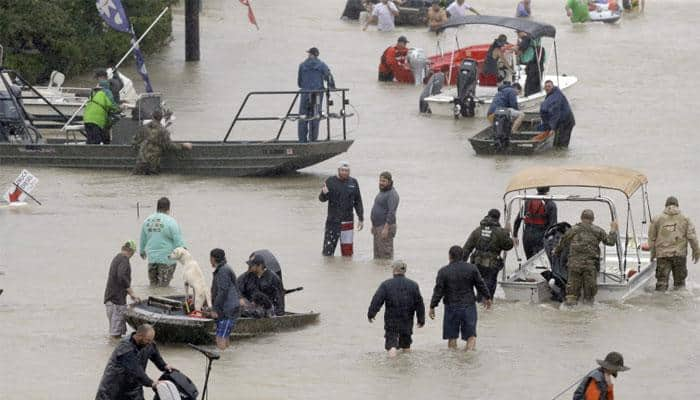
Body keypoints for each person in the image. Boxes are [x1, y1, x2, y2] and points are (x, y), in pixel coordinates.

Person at [429, 246, 491, 351]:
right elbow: (480, 284)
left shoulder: (443, 271)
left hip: (451, 307)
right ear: (462, 256)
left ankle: (454, 362)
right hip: (468, 306)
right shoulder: (472, 268)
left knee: (452, 337)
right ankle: (468, 357)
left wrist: (432, 306)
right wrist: (488, 297)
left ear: (449, 256)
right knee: (471, 336)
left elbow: (438, 291)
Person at [555, 209, 618, 305]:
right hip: (590, 267)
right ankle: (587, 315)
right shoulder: (598, 230)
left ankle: (569, 314)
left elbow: (561, 244)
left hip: (574, 266)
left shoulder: (573, 230)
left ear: (581, 218)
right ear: (593, 219)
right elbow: (610, 242)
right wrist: (613, 229)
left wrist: (555, 252)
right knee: (589, 298)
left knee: (571, 296)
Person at [95, 324, 174, 400]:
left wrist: (165, 366)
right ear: (139, 336)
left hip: (134, 390)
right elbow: (135, 370)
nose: (150, 343)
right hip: (113, 391)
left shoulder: (149, 344)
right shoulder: (125, 348)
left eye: (151, 340)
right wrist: (152, 383)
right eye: (148, 340)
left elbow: (156, 357)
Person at [368, 260, 425, 357]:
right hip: (407, 320)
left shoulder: (386, 284)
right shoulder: (413, 285)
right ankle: (406, 366)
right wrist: (421, 319)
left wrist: (371, 313)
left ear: (394, 270)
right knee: (406, 345)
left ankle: (392, 367)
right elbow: (419, 304)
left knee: (391, 344)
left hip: (391, 320)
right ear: (404, 271)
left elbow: (377, 300)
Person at [648, 196, 699, 291]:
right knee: (680, 287)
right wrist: (696, 251)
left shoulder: (657, 219)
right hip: (679, 255)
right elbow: (692, 237)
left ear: (666, 206)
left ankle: (659, 304)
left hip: (662, 256)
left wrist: (652, 254)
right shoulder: (685, 219)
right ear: (677, 206)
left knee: (661, 285)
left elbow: (652, 239)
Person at [462, 209, 514, 299]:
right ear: (498, 218)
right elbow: (508, 246)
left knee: (479, 288)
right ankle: (485, 310)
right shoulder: (500, 232)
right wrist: (507, 232)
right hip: (491, 266)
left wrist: (460, 265)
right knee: (488, 292)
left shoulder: (477, 230)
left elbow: (467, 248)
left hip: (476, 264)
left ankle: (479, 307)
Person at [319, 161, 364, 256]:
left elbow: (358, 201)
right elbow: (322, 199)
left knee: (347, 254)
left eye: (347, 171)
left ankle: (346, 270)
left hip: (348, 222)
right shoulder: (330, 181)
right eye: (342, 170)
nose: (344, 172)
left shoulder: (353, 182)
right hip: (333, 222)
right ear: (338, 170)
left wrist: (361, 218)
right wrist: (324, 193)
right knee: (328, 253)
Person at [139, 197, 186, 287]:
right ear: (168, 209)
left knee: (153, 286)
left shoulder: (147, 221)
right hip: (167, 260)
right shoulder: (171, 222)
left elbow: (143, 238)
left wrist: (141, 251)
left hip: (152, 260)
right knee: (164, 288)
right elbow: (178, 242)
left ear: (157, 207)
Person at [133, 110, 192, 175]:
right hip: (153, 163)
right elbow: (169, 145)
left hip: (140, 162)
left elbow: (135, 141)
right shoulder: (163, 131)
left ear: (152, 117)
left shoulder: (144, 128)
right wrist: (183, 145)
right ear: (161, 118)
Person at [103, 240, 140, 339]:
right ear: (131, 251)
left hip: (110, 299)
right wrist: (132, 293)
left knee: (114, 331)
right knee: (116, 334)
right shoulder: (124, 259)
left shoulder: (117, 258)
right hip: (116, 302)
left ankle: (110, 349)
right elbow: (121, 276)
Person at [297, 47, 335, 143]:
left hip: (305, 94)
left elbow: (299, 83)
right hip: (316, 95)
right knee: (315, 116)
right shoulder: (322, 65)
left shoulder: (302, 65)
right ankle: (313, 140)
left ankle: (302, 140)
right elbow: (329, 77)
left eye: (309, 53)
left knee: (303, 116)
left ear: (311, 54)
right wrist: (331, 87)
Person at [513, 186, 558, 259]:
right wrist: (554, 242)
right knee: (541, 261)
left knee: (529, 260)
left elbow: (518, 219)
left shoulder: (528, 201)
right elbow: (553, 226)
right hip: (541, 235)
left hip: (527, 235)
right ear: (548, 189)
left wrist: (515, 235)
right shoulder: (550, 204)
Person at [208, 248, 240, 349]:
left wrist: (215, 309)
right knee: (224, 336)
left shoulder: (223, 271)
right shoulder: (224, 269)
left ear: (213, 259)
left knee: (220, 338)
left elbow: (223, 292)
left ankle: (222, 361)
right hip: (229, 308)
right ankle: (227, 359)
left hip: (227, 310)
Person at [84, 68, 120, 145]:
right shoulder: (107, 91)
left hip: (87, 119)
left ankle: (87, 155)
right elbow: (111, 105)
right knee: (96, 141)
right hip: (97, 120)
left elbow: (100, 102)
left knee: (90, 141)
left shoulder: (94, 91)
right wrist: (119, 108)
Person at [370, 171, 400, 259]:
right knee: (377, 256)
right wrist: (373, 225)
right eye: (380, 180)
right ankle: (379, 273)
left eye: (384, 181)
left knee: (386, 256)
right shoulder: (382, 192)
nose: (381, 183)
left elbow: (391, 212)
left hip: (385, 227)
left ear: (390, 182)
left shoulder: (392, 194)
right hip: (377, 227)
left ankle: (386, 272)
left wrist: (386, 228)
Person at [540, 80, 576, 147]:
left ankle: (562, 153)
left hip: (566, 122)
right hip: (560, 121)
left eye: (549, 86)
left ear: (553, 87)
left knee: (562, 144)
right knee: (556, 143)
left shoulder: (556, 97)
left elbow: (555, 114)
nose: (547, 88)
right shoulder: (551, 95)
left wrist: (552, 128)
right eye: (546, 87)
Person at [517, 31, 545, 97]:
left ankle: (528, 95)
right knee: (536, 83)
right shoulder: (542, 49)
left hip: (533, 69)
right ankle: (535, 94)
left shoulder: (531, 49)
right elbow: (544, 60)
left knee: (530, 84)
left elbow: (525, 59)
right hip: (539, 68)